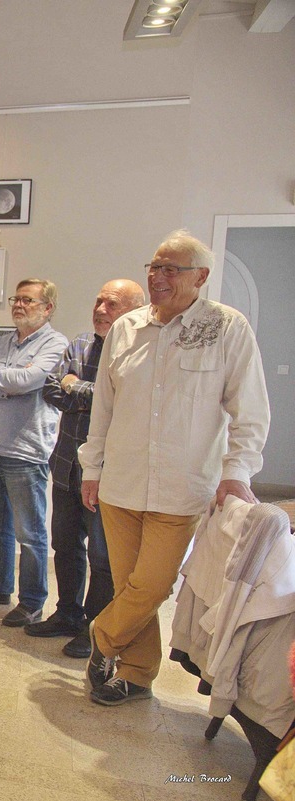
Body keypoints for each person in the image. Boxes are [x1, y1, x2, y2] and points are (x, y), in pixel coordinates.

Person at [79, 231, 269, 706]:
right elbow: (103, 407)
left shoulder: (227, 327)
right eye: (154, 267)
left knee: (153, 585)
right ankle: (136, 674)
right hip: (121, 482)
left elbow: (250, 410)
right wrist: (91, 467)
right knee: (128, 585)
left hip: (183, 487)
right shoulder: (126, 328)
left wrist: (237, 471)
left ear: (200, 277)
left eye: (172, 269)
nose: (158, 277)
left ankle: (102, 635)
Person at [28, 279, 145, 657]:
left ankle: (95, 629)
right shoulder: (79, 344)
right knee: (64, 545)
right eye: (98, 301)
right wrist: (83, 392)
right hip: (67, 465)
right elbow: (50, 389)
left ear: (135, 311)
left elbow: (122, 401)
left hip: (109, 474)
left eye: (111, 304)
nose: (100, 309)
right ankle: (67, 614)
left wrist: (75, 387)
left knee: (103, 558)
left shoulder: (138, 353)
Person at [0, 279, 68, 628]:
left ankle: (32, 602)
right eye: (16, 299)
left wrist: (0, 379)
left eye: (28, 300)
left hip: (26, 451)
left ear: (47, 308)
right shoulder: (5, 341)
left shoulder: (56, 343)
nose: (19, 305)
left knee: (30, 533)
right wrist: (7, 384)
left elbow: (30, 380)